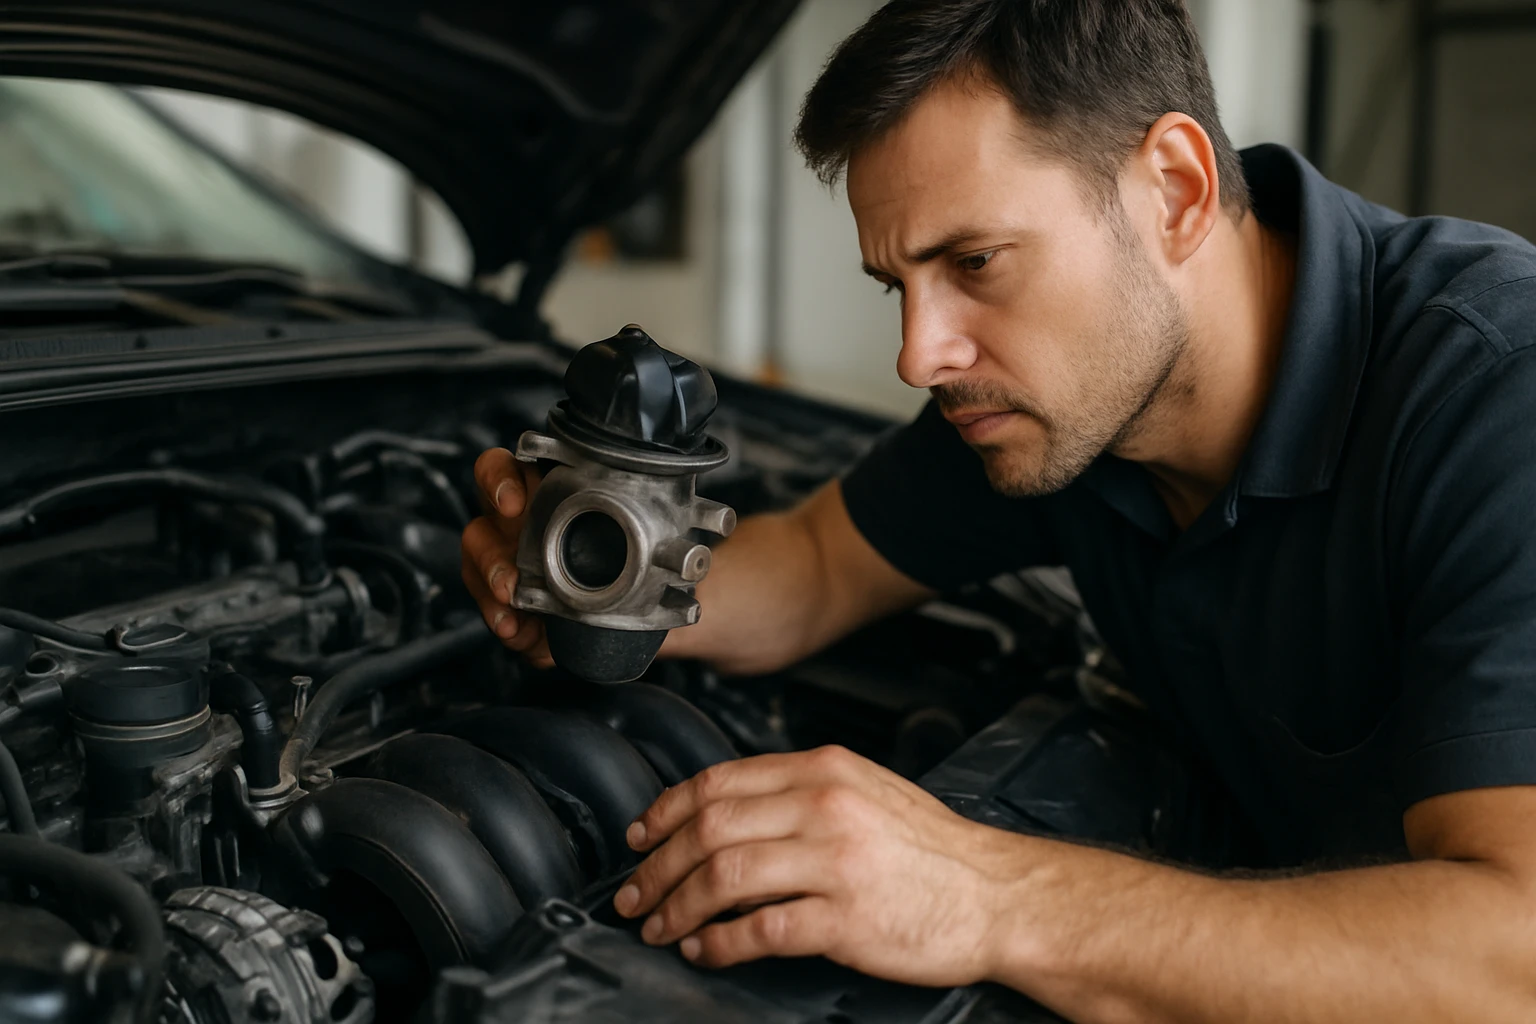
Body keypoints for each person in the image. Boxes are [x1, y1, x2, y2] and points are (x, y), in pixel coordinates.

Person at [461, 1, 1536, 1019]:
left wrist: (986, 893)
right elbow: (815, 569)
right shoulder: (1066, 405)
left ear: (1174, 190)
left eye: (974, 262)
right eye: (899, 285)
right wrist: (601, 581)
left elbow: (1512, 960)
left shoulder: (1494, 394)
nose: (920, 353)